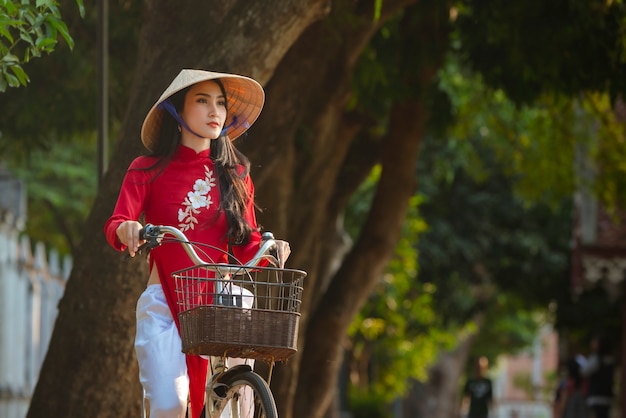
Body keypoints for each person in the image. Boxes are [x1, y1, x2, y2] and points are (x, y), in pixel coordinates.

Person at [104, 69, 290, 418]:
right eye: (202, 101)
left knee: (236, 405)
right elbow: (116, 223)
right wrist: (129, 228)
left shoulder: (235, 173)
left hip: (222, 302)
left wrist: (270, 247)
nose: (214, 111)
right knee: (168, 404)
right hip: (165, 303)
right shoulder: (146, 170)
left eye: (220, 103)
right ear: (177, 113)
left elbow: (247, 240)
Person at [579, 335, 616, 418]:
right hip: (607, 397)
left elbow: (583, 372)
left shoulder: (596, 359)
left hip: (595, 396)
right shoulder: (611, 359)